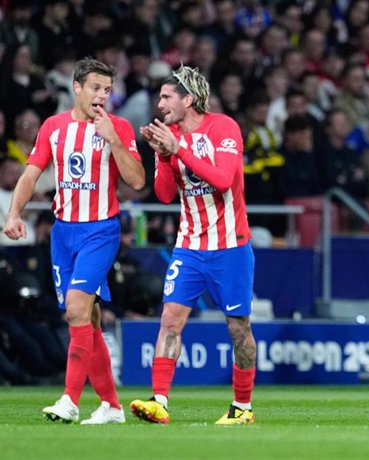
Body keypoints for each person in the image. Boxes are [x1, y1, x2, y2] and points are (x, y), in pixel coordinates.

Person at [2, 57, 145, 424]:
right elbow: (31, 174)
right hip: (63, 234)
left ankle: (70, 399)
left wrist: (114, 140)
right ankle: (112, 406)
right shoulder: (54, 126)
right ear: (77, 88)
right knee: (89, 319)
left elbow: (137, 180)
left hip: (100, 230)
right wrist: (14, 214)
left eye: (108, 90)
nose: (102, 95)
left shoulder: (120, 127)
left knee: (77, 310)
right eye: (95, 88)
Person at [130, 65, 257, 425]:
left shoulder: (224, 127)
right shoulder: (167, 135)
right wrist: (164, 155)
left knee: (238, 327)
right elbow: (165, 194)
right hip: (189, 245)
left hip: (231, 245)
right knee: (170, 320)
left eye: (167, 96)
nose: (160, 103)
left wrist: (179, 150)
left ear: (189, 99)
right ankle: (159, 401)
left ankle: (242, 407)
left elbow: (222, 179)